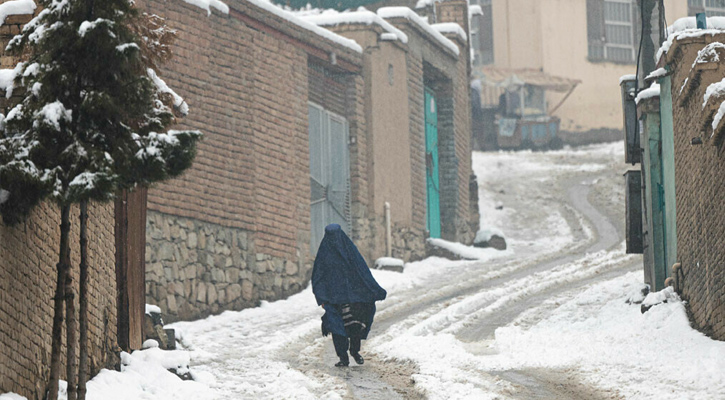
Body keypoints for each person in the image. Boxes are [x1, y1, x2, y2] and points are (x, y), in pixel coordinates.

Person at [311, 224, 387, 367]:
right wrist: (321, 297)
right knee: (337, 328)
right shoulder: (324, 255)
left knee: (354, 326)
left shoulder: (349, 251)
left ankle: (354, 351)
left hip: (354, 296)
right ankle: (343, 357)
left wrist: (371, 289)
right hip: (333, 299)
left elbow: (361, 270)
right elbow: (318, 277)